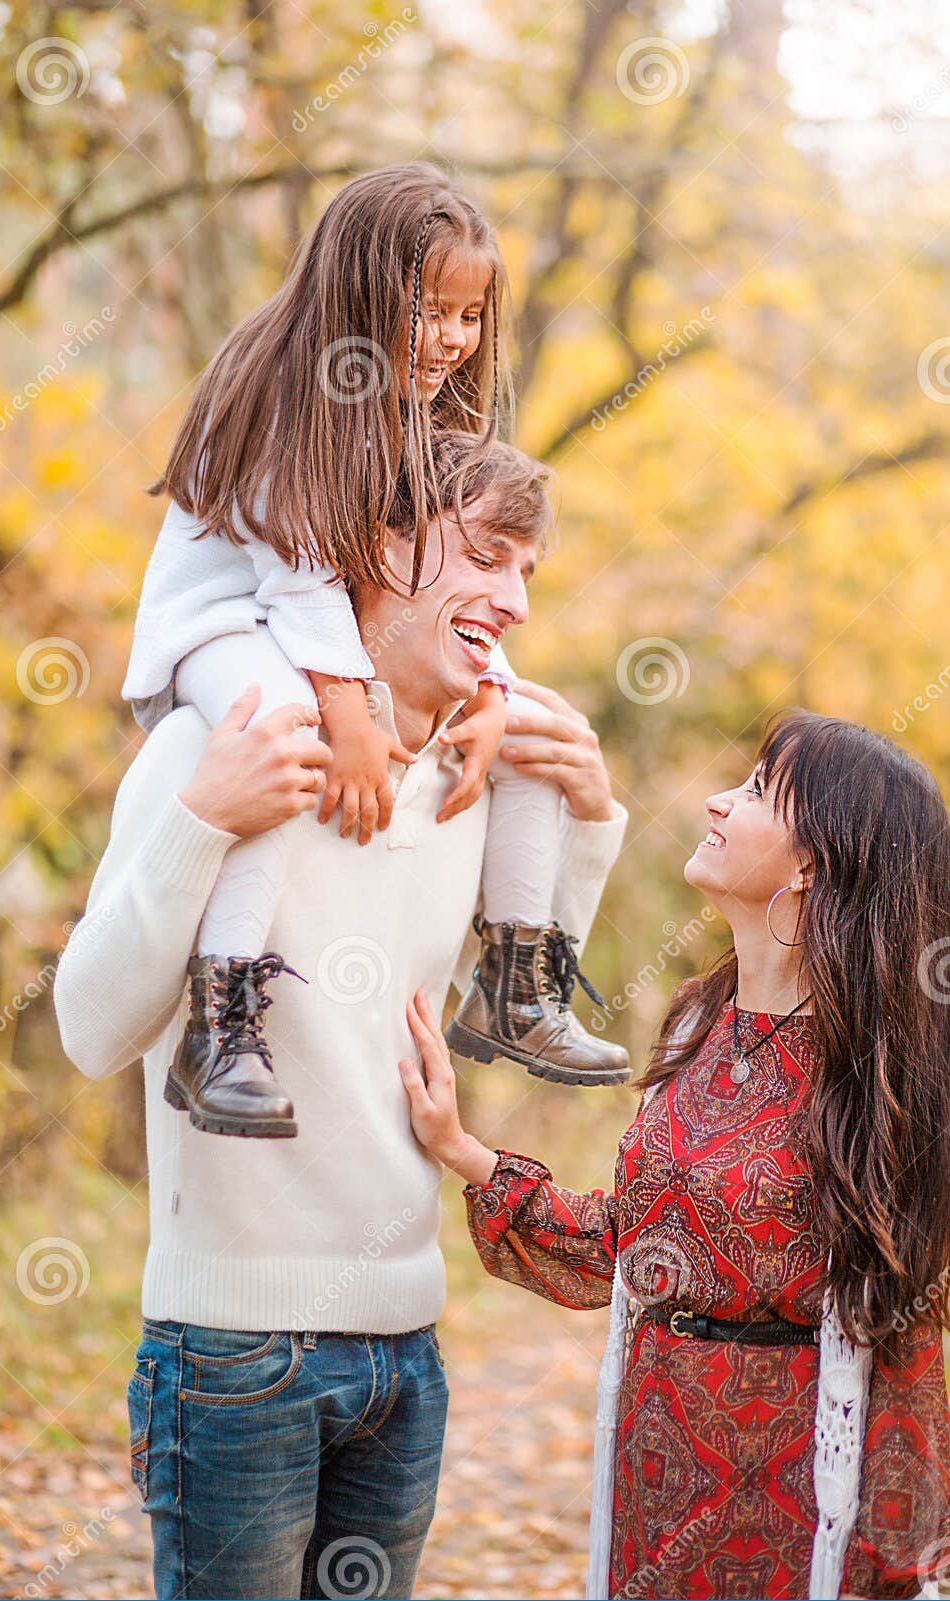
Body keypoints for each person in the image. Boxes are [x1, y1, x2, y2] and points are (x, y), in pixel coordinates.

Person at [53, 432, 629, 1600]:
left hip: (405, 1346)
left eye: (527, 572)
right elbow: (86, 1029)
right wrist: (201, 820)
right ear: (378, 543)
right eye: (484, 559)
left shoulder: (470, 773)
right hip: (231, 1353)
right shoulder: (218, 744)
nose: (513, 602)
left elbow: (500, 1010)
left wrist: (592, 818)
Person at [401, 710, 950, 1600]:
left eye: (753, 793)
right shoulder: (695, 1020)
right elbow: (630, 1250)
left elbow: (898, 1330)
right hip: (654, 1458)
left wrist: (898, 1576)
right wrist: (462, 1149)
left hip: (788, 1494)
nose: (715, 801)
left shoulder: (869, 1071)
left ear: (811, 862)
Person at [122, 163, 629, 1141]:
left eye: (468, 315)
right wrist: (349, 717)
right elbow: (300, 578)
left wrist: (487, 691)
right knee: (288, 731)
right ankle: (219, 1022)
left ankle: (516, 985)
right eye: (425, 310)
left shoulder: (411, 401)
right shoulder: (287, 384)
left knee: (525, 723)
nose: (451, 339)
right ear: (357, 292)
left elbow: (415, 567)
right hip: (224, 626)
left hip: (323, 627)